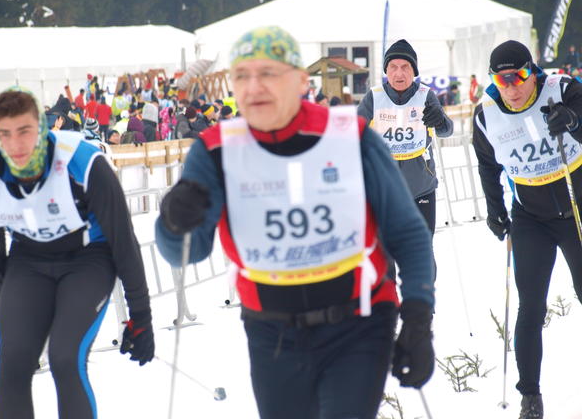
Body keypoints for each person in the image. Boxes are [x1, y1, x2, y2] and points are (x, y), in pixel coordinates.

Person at [155, 26, 435, 419]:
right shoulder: (216, 150)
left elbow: (407, 233)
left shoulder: (350, 137)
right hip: (271, 332)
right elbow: (188, 251)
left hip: (358, 322)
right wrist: (173, 222)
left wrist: (418, 317)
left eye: (268, 73)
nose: (254, 87)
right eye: (242, 76)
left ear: (301, 81)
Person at [0, 87, 154, 419]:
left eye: (24, 131)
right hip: (28, 261)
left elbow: (123, 240)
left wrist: (141, 316)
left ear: (43, 128)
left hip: (88, 259)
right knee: (12, 362)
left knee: (65, 358)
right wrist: (6, 321)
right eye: (5, 134)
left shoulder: (83, 162)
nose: (15, 144)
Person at [473, 40, 582, 419]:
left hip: (576, 208)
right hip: (530, 218)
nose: (512, 87)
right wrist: (495, 211)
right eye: (501, 80)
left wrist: (573, 120)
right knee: (530, 306)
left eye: (518, 76)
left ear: (532, 71)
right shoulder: (486, 115)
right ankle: (530, 397)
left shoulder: (562, 89)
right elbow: (488, 166)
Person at [358, 39, 453, 246]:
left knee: (421, 251)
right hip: (385, 190)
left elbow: (447, 131)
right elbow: (353, 134)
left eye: (405, 67)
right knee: (387, 253)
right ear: (386, 70)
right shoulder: (374, 98)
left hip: (421, 187)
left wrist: (439, 120)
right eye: (393, 67)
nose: (399, 73)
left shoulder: (425, 95)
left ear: (414, 71)